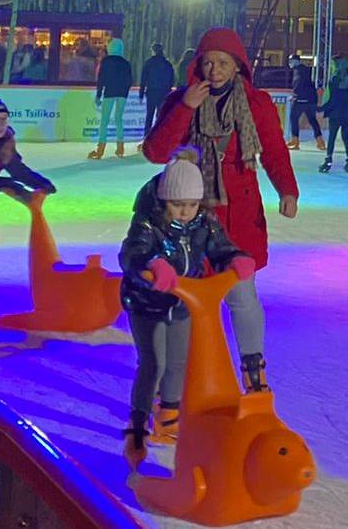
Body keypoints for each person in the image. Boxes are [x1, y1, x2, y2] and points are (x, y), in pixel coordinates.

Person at [141, 27, 298, 392]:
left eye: (223, 63)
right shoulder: (180, 100)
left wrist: (287, 190)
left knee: (242, 296)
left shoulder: (256, 104)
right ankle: (180, 379)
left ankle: (253, 370)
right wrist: (185, 108)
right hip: (190, 217)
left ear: (238, 66)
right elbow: (155, 152)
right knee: (186, 300)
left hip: (239, 216)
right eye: (208, 62)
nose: (215, 70)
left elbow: (274, 151)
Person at [118, 148, 256, 463]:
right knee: (154, 363)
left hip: (183, 301)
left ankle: (168, 416)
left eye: (192, 205)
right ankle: (138, 425)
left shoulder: (204, 221)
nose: (185, 211)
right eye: (177, 205)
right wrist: (152, 264)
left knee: (179, 363)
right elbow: (131, 252)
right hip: (147, 303)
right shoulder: (148, 222)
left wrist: (234, 258)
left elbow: (219, 246)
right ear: (165, 200)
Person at [0, 94, 56, 205]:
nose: (1, 124)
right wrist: (7, 184)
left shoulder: (5, 143)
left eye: (4, 119)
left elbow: (18, 170)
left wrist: (41, 183)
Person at [90, 39, 134, 159]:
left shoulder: (106, 61)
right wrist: (125, 91)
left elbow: (101, 79)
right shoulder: (125, 63)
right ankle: (120, 148)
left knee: (104, 120)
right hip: (122, 94)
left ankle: (100, 149)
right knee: (118, 119)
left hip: (109, 92)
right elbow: (129, 80)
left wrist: (98, 95)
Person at [317, 56, 348, 173]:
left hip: (336, 114)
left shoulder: (334, 79)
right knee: (345, 137)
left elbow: (333, 100)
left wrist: (321, 108)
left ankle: (328, 161)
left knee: (332, 137)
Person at [285, 55, 324, 151]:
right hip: (311, 100)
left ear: (295, 61)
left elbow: (298, 84)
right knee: (312, 119)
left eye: (291, 61)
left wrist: (295, 96)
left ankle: (295, 141)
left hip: (301, 100)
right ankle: (320, 142)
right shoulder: (306, 69)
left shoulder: (298, 71)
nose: (289, 63)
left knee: (293, 118)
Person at [139, 43, 176, 134]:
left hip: (152, 91)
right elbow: (172, 79)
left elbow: (143, 79)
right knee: (160, 115)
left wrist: (141, 94)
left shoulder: (149, 63)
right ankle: (159, 133)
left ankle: (147, 134)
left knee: (149, 114)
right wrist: (168, 89)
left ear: (153, 51)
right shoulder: (167, 64)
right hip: (164, 92)